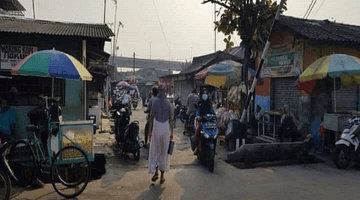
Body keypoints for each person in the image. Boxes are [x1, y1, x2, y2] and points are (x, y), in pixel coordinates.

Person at [148, 84, 174, 184]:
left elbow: (151, 117)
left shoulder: (154, 101)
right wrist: (172, 132)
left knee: (155, 150)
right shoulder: (169, 103)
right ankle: (162, 175)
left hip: (157, 127)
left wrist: (150, 131)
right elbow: (171, 119)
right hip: (165, 128)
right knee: (164, 152)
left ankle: (156, 173)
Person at [193, 88, 216, 155]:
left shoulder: (209, 103)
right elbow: (197, 111)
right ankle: (197, 147)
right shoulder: (200, 103)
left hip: (209, 122)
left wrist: (215, 115)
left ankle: (214, 148)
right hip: (202, 121)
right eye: (204, 93)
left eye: (206, 93)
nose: (205, 95)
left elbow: (212, 111)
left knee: (215, 133)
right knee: (197, 132)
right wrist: (198, 116)